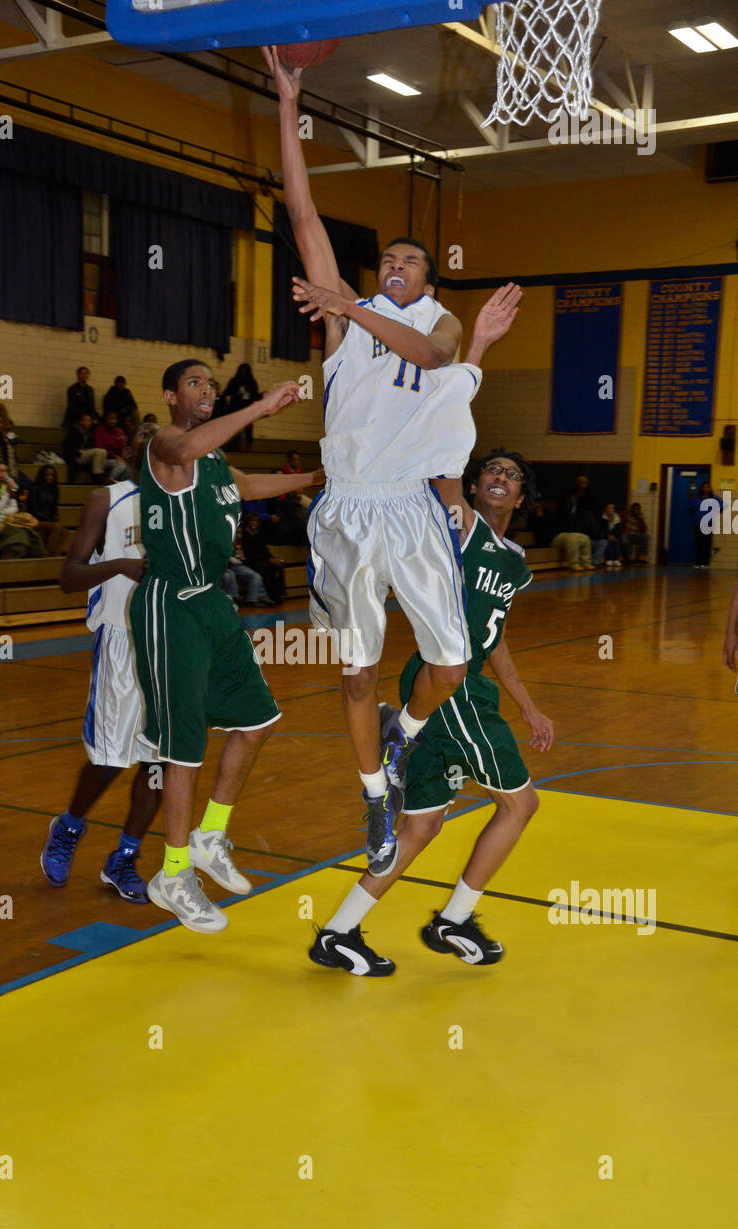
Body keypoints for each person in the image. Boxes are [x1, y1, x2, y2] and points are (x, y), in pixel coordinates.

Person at [265, 44, 521, 876]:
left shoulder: (437, 326)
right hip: (347, 507)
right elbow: (303, 217)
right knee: (354, 673)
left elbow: (437, 356)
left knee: (447, 661)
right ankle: (374, 789)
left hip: (410, 506)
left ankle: (403, 737)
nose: (396, 267)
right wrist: (285, 97)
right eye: (388, 261)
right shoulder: (345, 319)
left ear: (428, 277)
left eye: (409, 261)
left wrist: (349, 305)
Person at [309, 449, 553, 976]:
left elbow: (497, 642)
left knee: (422, 828)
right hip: (450, 686)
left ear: (522, 497)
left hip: (464, 681)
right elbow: (443, 472)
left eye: (511, 474)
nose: (499, 477)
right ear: (472, 485)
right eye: (491, 469)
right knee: (520, 805)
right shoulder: (458, 527)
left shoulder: (514, 560)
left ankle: (337, 932)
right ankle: (455, 920)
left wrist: (530, 708)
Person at [128, 358, 322, 931]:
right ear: (170, 396)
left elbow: (249, 486)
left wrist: (314, 479)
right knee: (184, 748)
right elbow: (183, 451)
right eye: (195, 383)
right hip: (170, 605)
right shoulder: (165, 445)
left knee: (258, 718)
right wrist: (262, 405)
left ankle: (211, 834)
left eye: (211, 383)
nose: (207, 389)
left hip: (213, 604)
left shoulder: (214, 461)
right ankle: (174, 872)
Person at [40, 424, 162, 902]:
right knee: (110, 760)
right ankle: (69, 827)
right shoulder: (105, 499)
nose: (153, 442)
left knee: (160, 765)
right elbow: (68, 577)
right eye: (144, 436)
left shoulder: (186, 503)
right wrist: (117, 565)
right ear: (130, 450)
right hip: (122, 641)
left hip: (170, 646)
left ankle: (124, 860)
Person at [0, 413, 29, 502]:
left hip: (8, 470)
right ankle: (14, 502)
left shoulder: (5, 439)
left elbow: (13, 458)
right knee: (11, 485)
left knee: (26, 483)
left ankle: (21, 502)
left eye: (0, 422)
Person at [242, 512, 286, 602]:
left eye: (256, 521)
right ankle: (268, 595)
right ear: (248, 522)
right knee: (266, 568)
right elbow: (249, 553)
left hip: (263, 560)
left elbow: (265, 550)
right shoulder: (244, 536)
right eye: (253, 521)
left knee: (278, 566)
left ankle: (278, 593)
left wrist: (273, 559)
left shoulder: (259, 534)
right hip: (251, 561)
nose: (255, 523)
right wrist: (268, 560)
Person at [27, 463, 69, 555]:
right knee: (56, 528)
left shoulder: (54, 489)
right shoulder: (35, 487)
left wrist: (55, 520)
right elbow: (34, 509)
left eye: (52, 475)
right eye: (47, 475)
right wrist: (51, 521)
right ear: (42, 475)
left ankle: (57, 551)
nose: (50, 477)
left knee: (65, 532)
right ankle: (51, 553)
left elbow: (54, 509)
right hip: (34, 520)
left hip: (47, 520)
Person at [221, 363, 261, 449]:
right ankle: (231, 445)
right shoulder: (234, 381)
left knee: (248, 428)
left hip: (248, 408)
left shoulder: (252, 382)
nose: (243, 372)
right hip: (235, 407)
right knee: (233, 427)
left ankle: (248, 446)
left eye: (245, 371)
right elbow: (226, 392)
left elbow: (255, 395)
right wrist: (225, 403)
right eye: (242, 370)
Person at [63, 413, 107, 483]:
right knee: (99, 452)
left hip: (84, 455)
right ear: (80, 421)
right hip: (75, 456)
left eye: (89, 421)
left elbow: (90, 446)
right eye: (85, 420)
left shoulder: (89, 433)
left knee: (103, 452)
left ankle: (99, 474)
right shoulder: (74, 431)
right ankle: (97, 476)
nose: (87, 423)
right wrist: (77, 451)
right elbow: (67, 446)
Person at [691, 481, 720, 569]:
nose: (706, 488)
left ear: (709, 488)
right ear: (701, 488)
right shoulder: (696, 499)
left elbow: (721, 507)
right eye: (704, 487)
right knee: (698, 544)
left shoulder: (714, 498)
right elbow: (691, 508)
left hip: (708, 524)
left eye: (708, 487)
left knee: (706, 544)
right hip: (697, 524)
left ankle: (705, 563)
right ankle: (698, 563)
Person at [93, 411, 130, 479]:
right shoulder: (100, 429)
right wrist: (115, 456)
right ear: (106, 420)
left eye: (115, 419)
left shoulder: (118, 431)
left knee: (128, 469)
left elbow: (122, 449)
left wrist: (122, 440)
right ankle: (109, 482)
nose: (113, 421)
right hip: (102, 459)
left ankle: (118, 486)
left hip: (116, 459)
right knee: (121, 465)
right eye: (110, 419)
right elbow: (100, 448)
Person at [596, 502, 623, 569]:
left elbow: (618, 530)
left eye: (612, 508)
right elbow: (600, 530)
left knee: (616, 540)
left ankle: (616, 559)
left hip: (614, 536)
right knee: (608, 541)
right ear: (606, 509)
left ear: (614, 510)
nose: (610, 509)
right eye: (609, 508)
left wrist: (613, 535)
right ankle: (608, 559)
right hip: (605, 536)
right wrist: (607, 535)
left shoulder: (617, 519)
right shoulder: (602, 518)